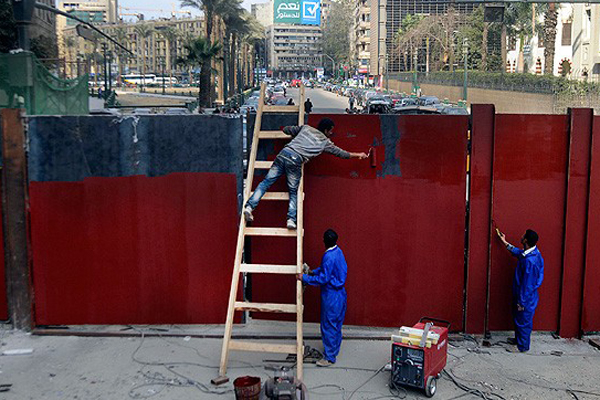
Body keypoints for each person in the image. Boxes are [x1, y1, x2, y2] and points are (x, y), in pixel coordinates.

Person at [243, 118, 367, 229]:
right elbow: (342, 154)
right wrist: (358, 155)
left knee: (266, 182)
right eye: (330, 131)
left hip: (283, 153)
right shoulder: (325, 142)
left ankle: (249, 207)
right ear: (325, 130)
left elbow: (287, 130)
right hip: (295, 160)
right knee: (293, 191)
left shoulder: (306, 128)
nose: (331, 133)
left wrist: (288, 130)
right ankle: (291, 219)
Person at [297, 229, 347, 367]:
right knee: (336, 324)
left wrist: (305, 278)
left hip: (331, 296)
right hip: (341, 294)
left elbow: (324, 279)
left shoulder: (328, 256)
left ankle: (329, 358)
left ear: (325, 241)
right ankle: (334, 350)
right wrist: (314, 271)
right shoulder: (338, 252)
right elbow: (327, 270)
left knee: (328, 325)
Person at [497, 228, 544, 353]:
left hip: (526, 297)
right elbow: (518, 253)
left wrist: (521, 302)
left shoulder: (530, 261)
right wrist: (504, 242)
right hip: (524, 295)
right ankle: (519, 340)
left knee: (523, 322)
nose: (521, 236)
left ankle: (522, 347)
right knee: (519, 319)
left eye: (523, 235)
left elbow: (527, 285)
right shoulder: (530, 254)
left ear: (526, 240)